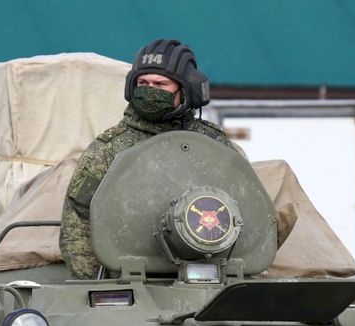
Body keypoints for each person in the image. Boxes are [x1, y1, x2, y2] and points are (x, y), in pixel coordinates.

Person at [59, 39, 240, 279]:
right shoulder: (109, 149)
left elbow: (243, 207)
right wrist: (95, 284)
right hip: (132, 279)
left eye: (160, 84)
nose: (150, 90)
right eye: (143, 83)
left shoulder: (213, 144)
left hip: (208, 273)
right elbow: (77, 221)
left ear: (187, 90)